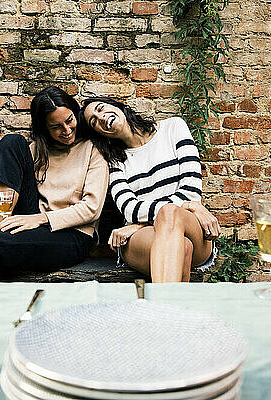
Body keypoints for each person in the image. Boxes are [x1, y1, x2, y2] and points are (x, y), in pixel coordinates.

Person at [0, 87, 109, 281]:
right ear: (44, 127)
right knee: (11, 142)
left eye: (69, 120)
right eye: (56, 127)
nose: (67, 130)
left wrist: (40, 219)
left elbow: (92, 209)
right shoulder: (35, 150)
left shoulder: (94, 150)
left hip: (72, 235)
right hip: (32, 225)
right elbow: (15, 186)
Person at [80, 97, 219, 283]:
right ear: (98, 133)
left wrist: (141, 223)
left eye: (101, 108)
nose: (102, 117)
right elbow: (130, 209)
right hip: (141, 239)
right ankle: (170, 309)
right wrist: (189, 206)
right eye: (94, 121)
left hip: (188, 228)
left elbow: (190, 191)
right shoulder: (114, 161)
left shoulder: (173, 128)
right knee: (182, 247)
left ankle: (156, 310)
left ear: (116, 105)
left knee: (170, 214)